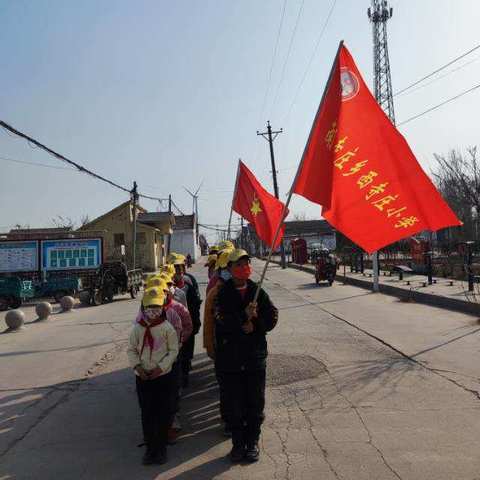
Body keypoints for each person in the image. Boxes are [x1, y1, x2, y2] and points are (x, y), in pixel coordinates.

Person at [214, 249, 278, 463]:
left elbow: (272, 317)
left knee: (254, 402)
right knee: (233, 404)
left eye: (246, 264)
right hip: (230, 360)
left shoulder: (258, 291)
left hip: (254, 358)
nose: (244, 268)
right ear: (230, 269)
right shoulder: (221, 294)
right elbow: (221, 322)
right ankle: (237, 444)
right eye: (238, 265)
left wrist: (256, 323)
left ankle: (252, 442)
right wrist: (243, 317)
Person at [127, 287, 179, 465]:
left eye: (156, 307)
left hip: (163, 377)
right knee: (147, 413)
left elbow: (173, 351)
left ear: (163, 307)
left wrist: (161, 368)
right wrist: (137, 367)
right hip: (143, 378)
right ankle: (150, 449)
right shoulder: (137, 329)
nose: (153, 311)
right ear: (143, 307)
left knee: (163, 413)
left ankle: (161, 448)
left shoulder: (167, 328)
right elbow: (131, 350)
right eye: (149, 307)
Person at [203, 250, 233, 436]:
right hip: (223, 349)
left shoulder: (250, 289)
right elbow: (208, 323)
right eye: (227, 268)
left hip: (245, 352)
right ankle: (229, 422)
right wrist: (210, 347)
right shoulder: (215, 292)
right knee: (227, 388)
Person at [172, 255, 202, 387]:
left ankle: (185, 373)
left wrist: (195, 323)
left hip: (187, 324)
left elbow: (195, 305)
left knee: (187, 350)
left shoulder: (190, 281)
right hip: (171, 328)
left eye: (181, 267)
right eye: (176, 267)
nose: (179, 270)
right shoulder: (165, 285)